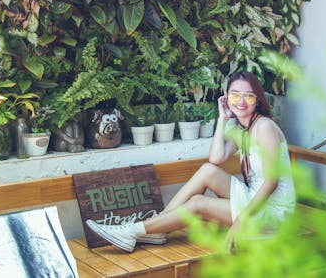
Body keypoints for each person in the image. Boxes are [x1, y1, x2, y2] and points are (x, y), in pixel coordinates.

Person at [86, 71, 296, 252]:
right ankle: (155, 230)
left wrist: (240, 221)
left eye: (248, 96)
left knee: (197, 203)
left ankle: (136, 230)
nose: (241, 101)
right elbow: (216, 159)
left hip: (273, 211)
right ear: (227, 98)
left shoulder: (264, 127)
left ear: (257, 99)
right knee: (207, 170)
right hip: (253, 198)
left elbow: (271, 182)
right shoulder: (240, 128)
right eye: (235, 95)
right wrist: (222, 120)